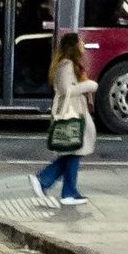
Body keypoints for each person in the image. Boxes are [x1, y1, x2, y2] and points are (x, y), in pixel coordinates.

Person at [35, 33, 94, 207]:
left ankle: (59, 186)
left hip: (75, 112)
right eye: (81, 42)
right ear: (73, 46)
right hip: (71, 114)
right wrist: (90, 86)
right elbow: (67, 89)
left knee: (73, 153)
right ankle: (60, 187)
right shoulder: (66, 65)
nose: (83, 44)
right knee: (73, 151)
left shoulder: (70, 65)